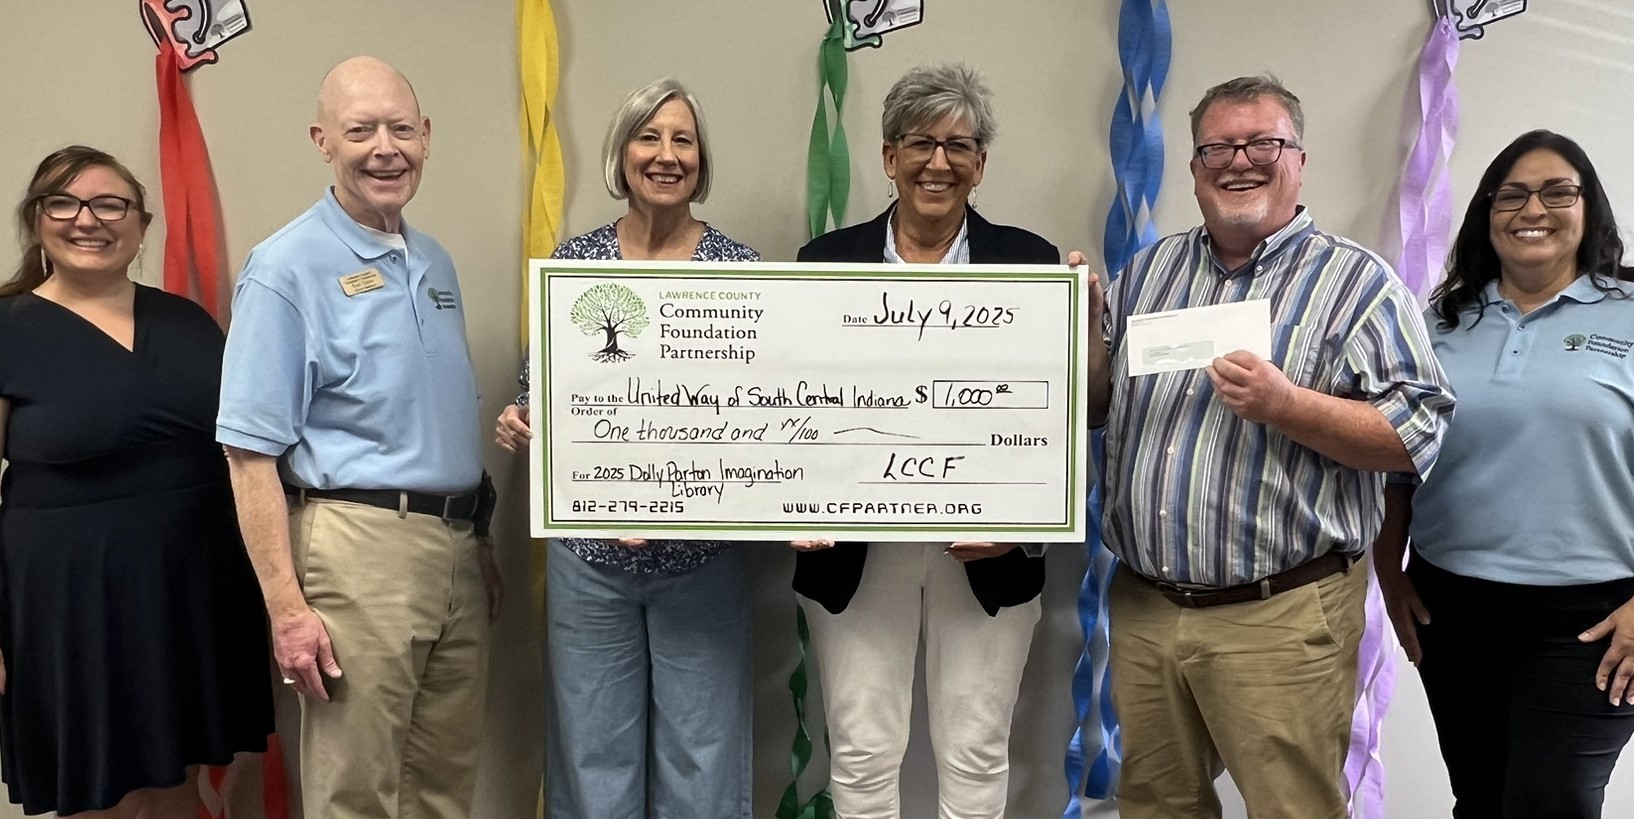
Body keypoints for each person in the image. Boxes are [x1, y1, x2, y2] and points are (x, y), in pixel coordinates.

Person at [1080, 75, 1454, 819]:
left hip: (1281, 613)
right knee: (1157, 806)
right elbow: (1098, 408)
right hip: (1147, 606)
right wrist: (1087, 334)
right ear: (1194, 168)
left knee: (1293, 809)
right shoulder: (1146, 275)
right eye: (1217, 148)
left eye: (1262, 143)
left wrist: (1288, 406)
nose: (1239, 161)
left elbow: (1417, 435)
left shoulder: (1358, 284)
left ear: (1299, 161)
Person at [217, 57, 501, 819]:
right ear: (322, 141)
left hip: (453, 548)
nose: (385, 148)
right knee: (358, 791)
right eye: (361, 130)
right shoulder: (285, 267)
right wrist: (286, 608)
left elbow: (431, 414)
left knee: (442, 784)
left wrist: (474, 538)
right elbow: (247, 454)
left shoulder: (433, 259)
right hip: (355, 547)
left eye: (401, 128)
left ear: (426, 136)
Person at [784, 63, 1055, 819]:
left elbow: (1056, 418)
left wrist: (1023, 527)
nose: (938, 162)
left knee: (975, 752)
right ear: (888, 156)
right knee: (862, 753)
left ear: (980, 163)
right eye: (919, 144)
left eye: (958, 145)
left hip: (987, 550)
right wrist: (793, 497)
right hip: (856, 550)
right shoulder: (823, 264)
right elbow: (789, 399)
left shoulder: (1032, 265)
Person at [494, 78, 756, 819]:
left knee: (703, 764)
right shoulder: (577, 264)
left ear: (701, 160)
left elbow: (763, 410)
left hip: (701, 561)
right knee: (591, 760)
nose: (666, 155)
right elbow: (542, 389)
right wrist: (522, 418)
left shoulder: (739, 272)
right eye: (649, 137)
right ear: (622, 153)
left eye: (683, 140)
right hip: (592, 562)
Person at [0, 146, 273, 816]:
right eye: (63, 203)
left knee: (180, 782)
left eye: (109, 204)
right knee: (103, 790)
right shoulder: (8, 329)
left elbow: (244, 452)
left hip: (193, 589)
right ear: (36, 220)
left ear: (142, 225)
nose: (87, 219)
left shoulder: (189, 322)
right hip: (68, 601)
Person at [1375, 129, 1634, 818]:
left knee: (1552, 803)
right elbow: (1396, 463)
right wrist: (1388, 571)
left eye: (1557, 192)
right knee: (1481, 798)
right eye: (1511, 195)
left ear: (1589, 208)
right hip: (1452, 607)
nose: (1533, 210)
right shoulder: (1437, 324)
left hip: (1597, 619)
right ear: (1487, 213)